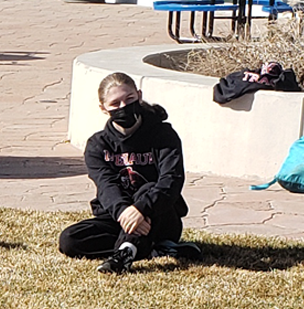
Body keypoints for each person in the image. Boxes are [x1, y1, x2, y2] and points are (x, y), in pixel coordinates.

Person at [59, 72, 199, 274]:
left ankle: (124, 254)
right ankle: (154, 249)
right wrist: (125, 212)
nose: (123, 107)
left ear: (139, 96)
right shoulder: (97, 145)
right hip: (118, 217)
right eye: (115, 104)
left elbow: (171, 181)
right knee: (70, 240)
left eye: (129, 99)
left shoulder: (163, 135)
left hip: (159, 215)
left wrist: (141, 209)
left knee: (147, 188)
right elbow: (106, 186)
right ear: (103, 108)